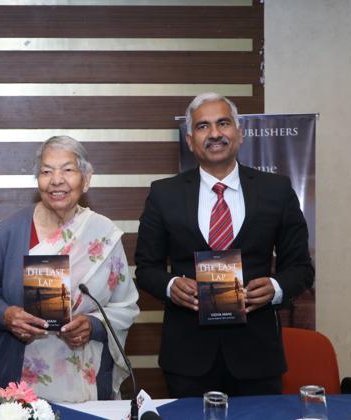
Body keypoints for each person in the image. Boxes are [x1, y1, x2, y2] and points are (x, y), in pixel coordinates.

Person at [134, 92, 314, 397]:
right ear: (190, 141)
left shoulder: (277, 190)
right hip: (188, 358)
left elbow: (300, 268)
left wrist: (276, 286)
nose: (215, 133)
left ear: (239, 133)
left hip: (258, 357)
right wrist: (170, 285)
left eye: (223, 123)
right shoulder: (164, 194)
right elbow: (147, 268)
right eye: (203, 126)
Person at [0, 136, 139, 402]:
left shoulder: (104, 235)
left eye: (68, 170)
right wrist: (7, 315)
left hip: (88, 382)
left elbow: (125, 306)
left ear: (86, 179)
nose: (56, 180)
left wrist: (93, 325)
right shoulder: (10, 231)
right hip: (19, 387)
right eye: (46, 171)